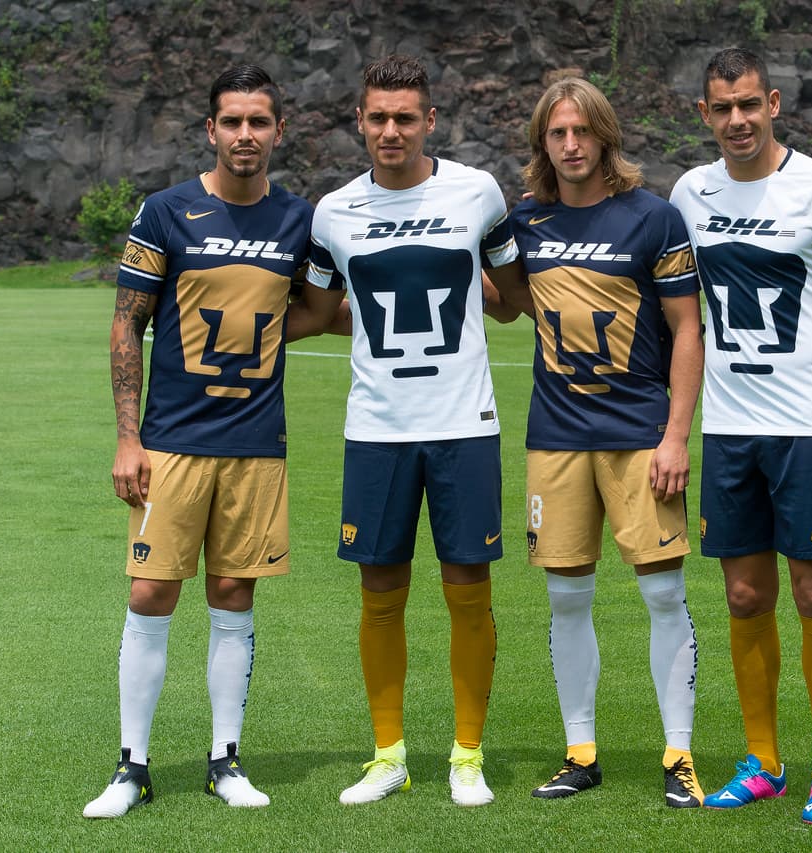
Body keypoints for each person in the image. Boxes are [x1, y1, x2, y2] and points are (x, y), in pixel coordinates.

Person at [83, 64, 315, 818]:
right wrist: (128, 438)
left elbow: (320, 305)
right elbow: (128, 322)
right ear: (210, 130)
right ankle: (132, 765)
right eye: (232, 122)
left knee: (232, 593)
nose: (245, 135)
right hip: (173, 442)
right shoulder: (166, 212)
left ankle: (225, 759)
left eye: (259, 122)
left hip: (255, 444)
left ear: (279, 130)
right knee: (151, 591)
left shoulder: (297, 220)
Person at [295, 53, 524, 807]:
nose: (390, 130)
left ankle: (467, 753)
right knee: (379, 588)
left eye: (405, 117)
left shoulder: (478, 194)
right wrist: (235, 332)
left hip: (464, 423)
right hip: (377, 426)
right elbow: (322, 310)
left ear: (430, 121)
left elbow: (510, 297)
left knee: (469, 586)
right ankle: (388, 753)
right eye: (377, 117)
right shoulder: (332, 212)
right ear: (359, 122)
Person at [669, 47, 812, 826]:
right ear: (705, 114)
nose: (737, 120)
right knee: (744, 593)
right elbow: (681, 318)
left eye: (749, 104)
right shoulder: (689, 194)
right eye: (722, 108)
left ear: (775, 103)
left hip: (807, 429)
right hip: (729, 430)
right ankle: (763, 760)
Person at [496, 76, 705, 808]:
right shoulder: (525, 221)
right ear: (541, 143)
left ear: (605, 135)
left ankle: (678, 752)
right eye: (557, 133)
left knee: (662, 590)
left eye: (582, 131)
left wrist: (676, 435)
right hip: (554, 438)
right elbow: (504, 305)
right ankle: (580, 749)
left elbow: (687, 330)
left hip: (639, 436)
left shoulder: (654, 218)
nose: (571, 145)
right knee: (565, 596)